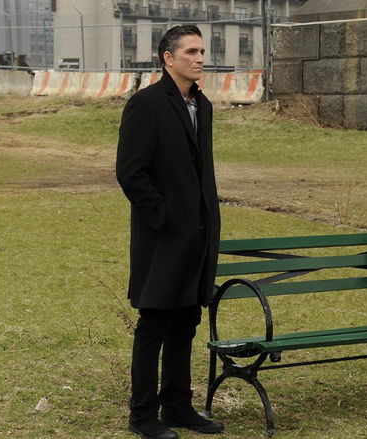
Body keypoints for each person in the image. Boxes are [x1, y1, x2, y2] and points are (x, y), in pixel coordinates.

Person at [116, 25, 223, 439]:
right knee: (155, 322)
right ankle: (143, 415)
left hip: (199, 233)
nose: (200, 59)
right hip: (162, 236)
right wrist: (164, 216)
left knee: (186, 321)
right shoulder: (145, 104)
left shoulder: (202, 105)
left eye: (202, 51)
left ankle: (178, 406)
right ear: (168, 58)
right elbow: (131, 173)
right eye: (191, 52)